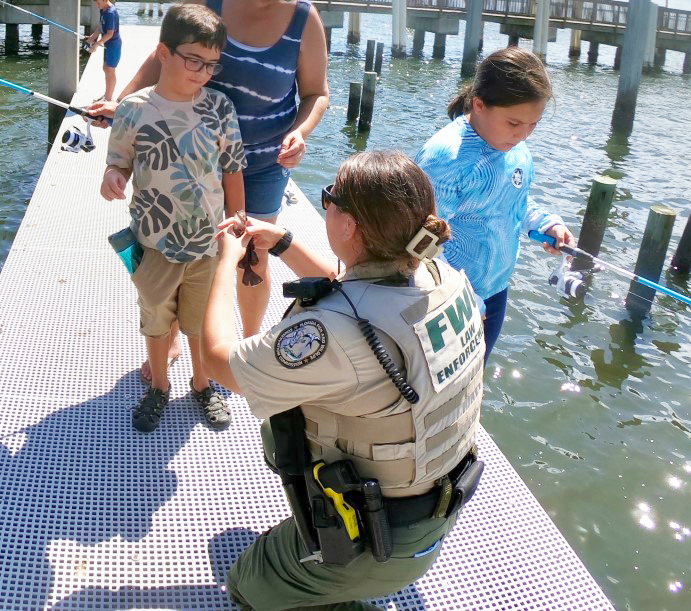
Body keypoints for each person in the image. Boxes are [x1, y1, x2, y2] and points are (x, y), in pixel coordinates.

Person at [201, 150, 485, 610]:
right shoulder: (439, 274)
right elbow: (358, 292)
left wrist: (222, 261)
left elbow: (218, 362)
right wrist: (283, 243)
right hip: (436, 506)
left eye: (329, 198)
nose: (326, 204)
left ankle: (341, 592)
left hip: (378, 540)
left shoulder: (337, 337)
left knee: (246, 587)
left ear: (349, 226)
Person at [88, 0, 329, 378]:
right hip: (186, 152)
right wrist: (122, 105)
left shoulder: (305, 18)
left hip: (259, 162)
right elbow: (163, 57)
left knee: (250, 258)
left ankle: (248, 350)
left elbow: (317, 93)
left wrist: (301, 131)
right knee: (186, 255)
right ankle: (176, 338)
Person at [100, 3, 246, 432]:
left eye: (211, 65)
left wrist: (240, 225)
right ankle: (159, 384)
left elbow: (233, 167)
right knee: (156, 315)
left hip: (207, 241)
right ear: (163, 52)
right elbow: (120, 161)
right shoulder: (132, 108)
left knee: (199, 320)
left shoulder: (220, 107)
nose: (202, 72)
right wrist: (112, 176)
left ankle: (203, 385)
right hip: (153, 240)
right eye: (193, 60)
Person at [416, 47, 575, 362]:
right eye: (514, 123)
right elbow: (420, 242)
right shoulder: (446, 158)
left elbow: (512, 203)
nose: (523, 135)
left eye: (533, 125)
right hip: (448, 298)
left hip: (495, 290)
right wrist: (462, 296)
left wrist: (545, 223)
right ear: (479, 104)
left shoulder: (516, 149)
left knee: (474, 379)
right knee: (436, 385)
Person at [85, 0, 121, 101]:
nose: (97, 6)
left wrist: (96, 44)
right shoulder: (103, 9)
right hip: (107, 45)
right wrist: (92, 37)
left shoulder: (111, 13)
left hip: (114, 45)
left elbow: (110, 34)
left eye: (98, 3)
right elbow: (101, 27)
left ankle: (109, 98)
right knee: (106, 68)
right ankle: (107, 96)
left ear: (106, 0)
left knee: (110, 70)